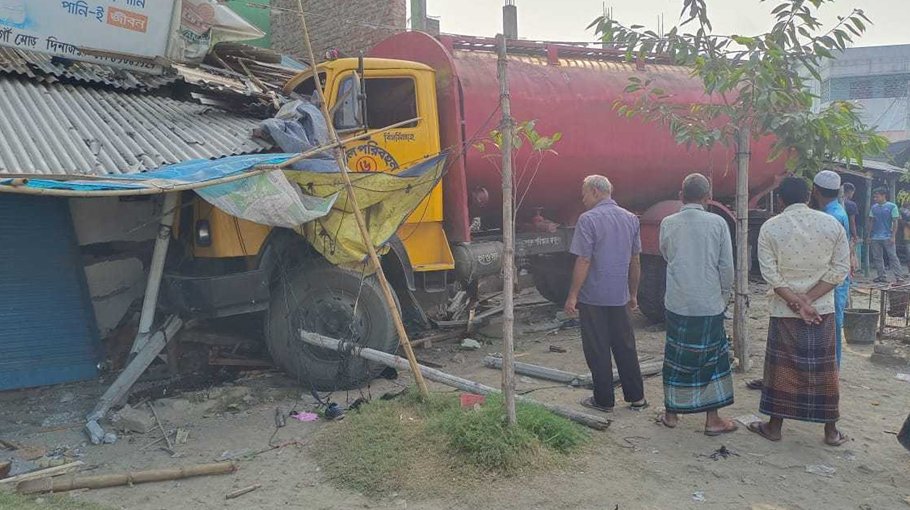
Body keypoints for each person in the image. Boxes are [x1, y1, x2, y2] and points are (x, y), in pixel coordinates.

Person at [750, 177, 850, 446]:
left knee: (781, 371)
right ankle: (830, 432)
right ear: (809, 196)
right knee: (824, 371)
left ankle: (774, 427)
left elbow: (769, 273)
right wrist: (809, 300)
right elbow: (840, 269)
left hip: (785, 311)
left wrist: (797, 302)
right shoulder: (831, 224)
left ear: (780, 200)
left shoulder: (771, 227)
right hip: (822, 310)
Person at [656, 174, 737, 435]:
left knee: (676, 357)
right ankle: (712, 419)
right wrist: (723, 296)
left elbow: (666, 254)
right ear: (707, 197)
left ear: (681, 195)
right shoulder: (718, 223)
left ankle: (671, 413)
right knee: (711, 360)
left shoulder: (668, 222)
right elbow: (726, 266)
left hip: (678, 301)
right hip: (708, 302)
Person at [564, 175, 647, 413]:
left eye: (584, 193)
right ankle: (637, 397)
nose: (583, 198)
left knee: (598, 348)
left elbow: (584, 259)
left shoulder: (588, 220)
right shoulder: (631, 219)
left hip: (593, 298)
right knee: (625, 345)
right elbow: (636, 261)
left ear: (596, 192)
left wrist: (573, 295)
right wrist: (633, 294)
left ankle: (604, 400)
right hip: (620, 297)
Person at [812, 170, 849, 367]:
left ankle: (833, 369)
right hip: (836, 280)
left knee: (832, 325)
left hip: (832, 280)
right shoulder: (837, 212)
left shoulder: (831, 216)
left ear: (815, 191)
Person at [867, 187, 908, 283]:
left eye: (877, 196)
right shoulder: (874, 207)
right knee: (877, 257)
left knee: (892, 256)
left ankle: (899, 276)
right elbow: (871, 222)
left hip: (887, 236)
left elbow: (895, 222)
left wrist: (893, 236)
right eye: (874, 197)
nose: (875, 199)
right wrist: (869, 235)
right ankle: (881, 276)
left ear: (883, 195)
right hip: (875, 236)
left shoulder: (892, 206)